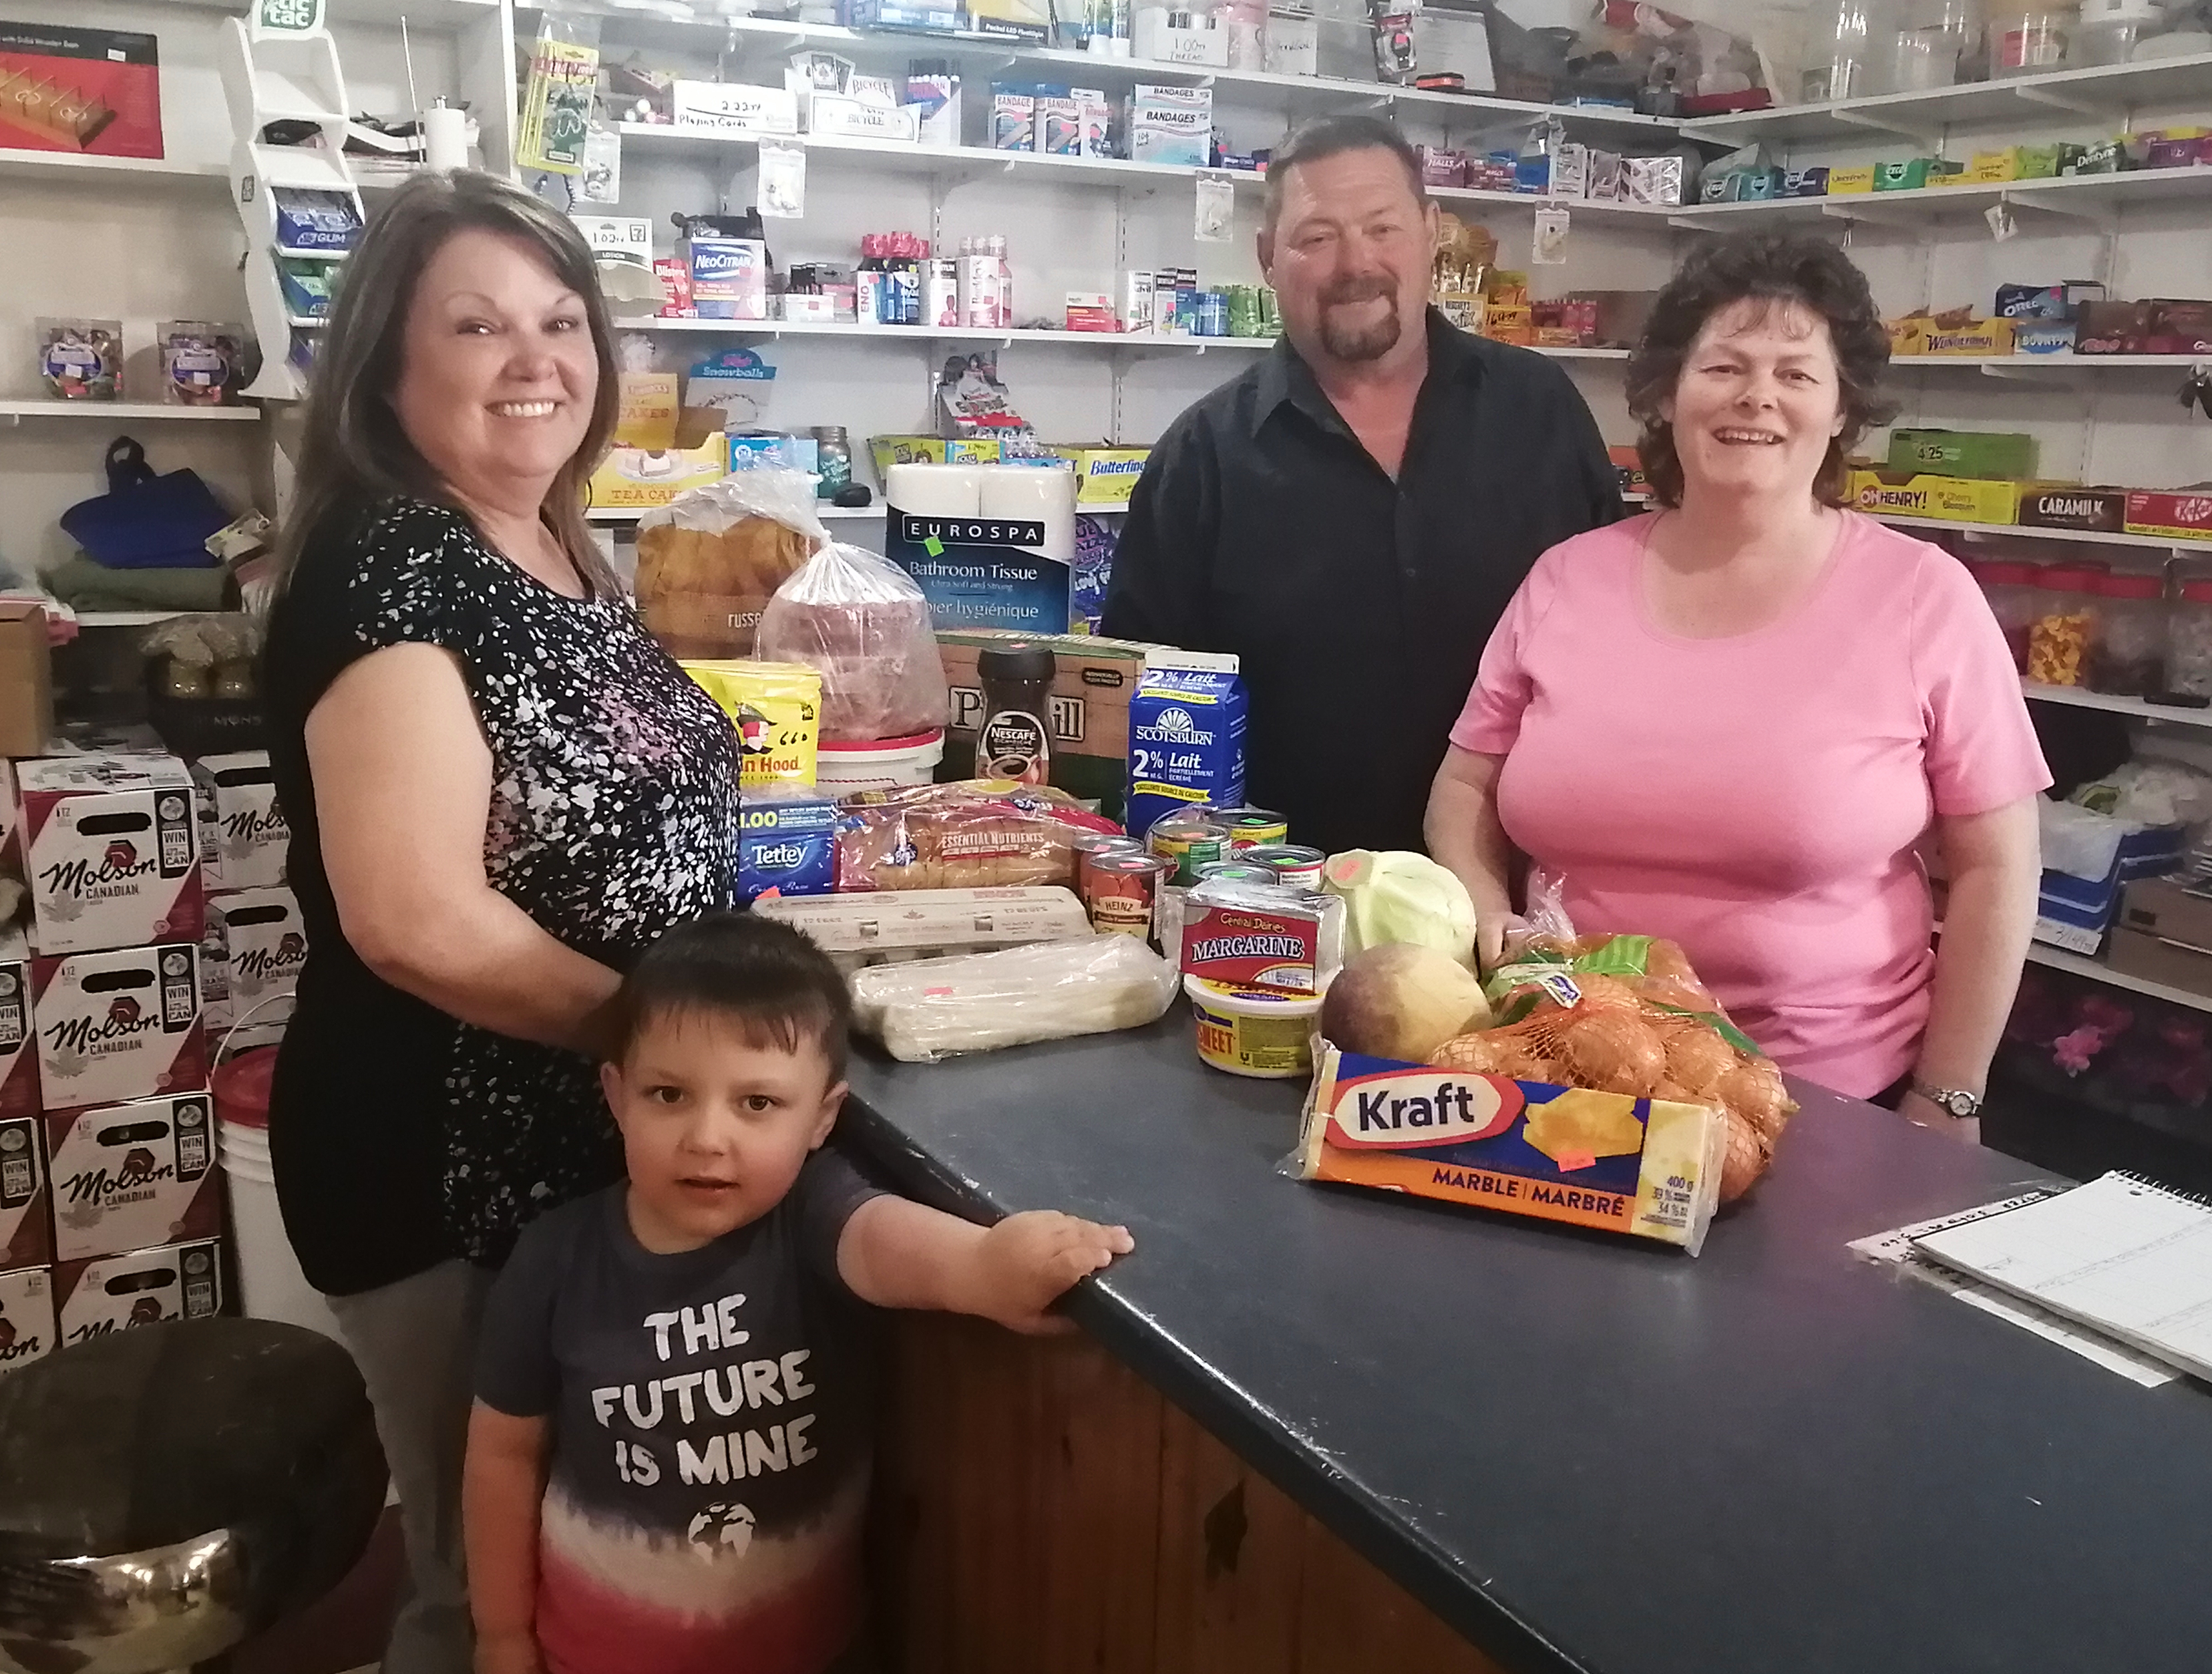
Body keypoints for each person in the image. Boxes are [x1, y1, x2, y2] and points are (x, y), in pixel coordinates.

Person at [261, 172, 743, 1674]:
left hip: (572, 1146)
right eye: (476, 325)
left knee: (572, 1565)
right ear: (389, 369)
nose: (536, 359)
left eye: (560, 320)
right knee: (492, 1590)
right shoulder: (393, 555)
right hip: (443, 1165)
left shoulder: (555, 542)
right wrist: (671, 1039)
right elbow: (416, 922)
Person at [1426, 232, 2048, 1136]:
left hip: (1826, 1104)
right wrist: (1489, 917)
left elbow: (1998, 864)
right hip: (1571, 1072)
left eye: (1797, 373)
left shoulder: (1922, 596)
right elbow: (1463, 784)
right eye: (1724, 366)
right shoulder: (1567, 578)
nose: (1757, 395)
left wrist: (1949, 1093)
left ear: (1841, 409)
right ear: (1670, 392)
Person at [464, 914, 1134, 1674]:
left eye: (757, 1104)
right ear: (617, 1097)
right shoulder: (554, 1257)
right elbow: (503, 1455)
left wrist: (986, 1262)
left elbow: (886, 1242)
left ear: (821, 1117)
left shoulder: (809, 1214)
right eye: (668, 1094)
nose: (708, 1137)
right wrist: (502, 1636)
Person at [1102, 113, 1622, 856]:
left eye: (1383, 228)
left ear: (1432, 230)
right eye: (1317, 237)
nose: (1356, 264)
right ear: (1267, 258)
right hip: (1274, 921)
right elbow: (1146, 716)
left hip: (1525, 903)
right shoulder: (1200, 460)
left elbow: (1611, 645)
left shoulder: (1540, 411)